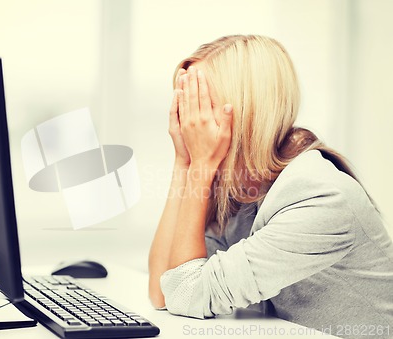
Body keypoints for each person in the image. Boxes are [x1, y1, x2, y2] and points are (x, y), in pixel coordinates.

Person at [148, 35, 393, 338]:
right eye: (186, 107)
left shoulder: (320, 197)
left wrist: (199, 166)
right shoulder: (243, 188)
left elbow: (186, 293)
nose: (190, 124)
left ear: (249, 111)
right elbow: (163, 290)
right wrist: (183, 162)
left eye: (202, 106)